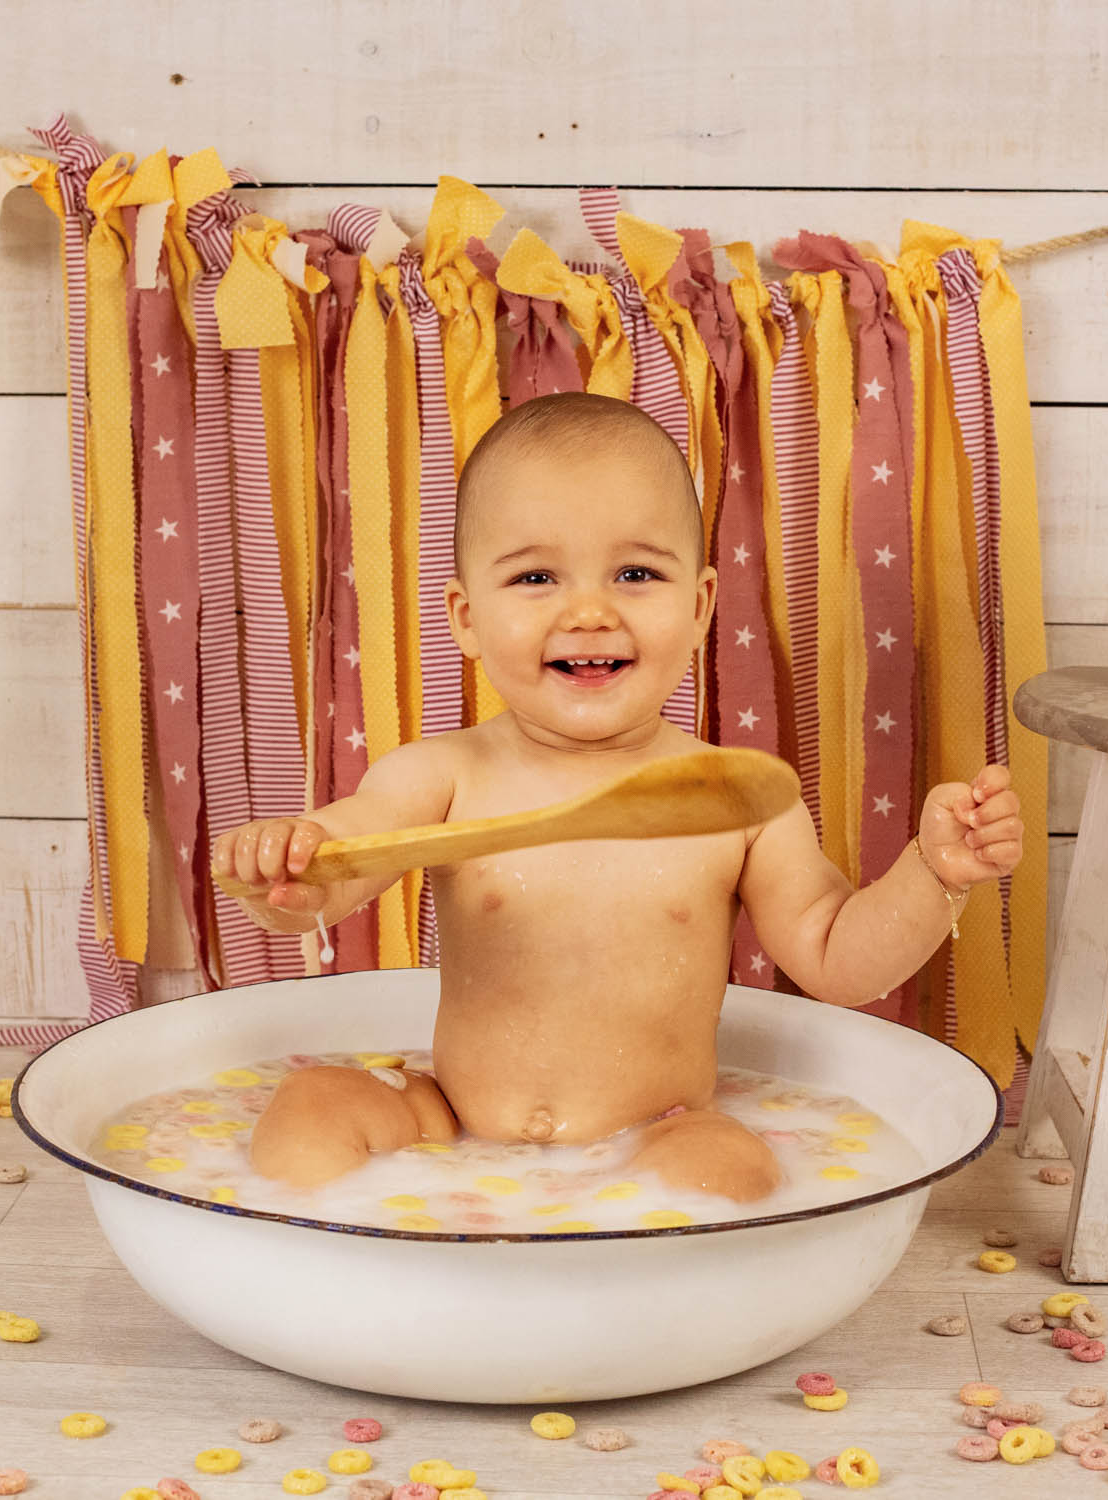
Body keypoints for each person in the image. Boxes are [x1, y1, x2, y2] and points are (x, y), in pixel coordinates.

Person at [212, 392, 1023, 1200]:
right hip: (450, 1123)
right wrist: (286, 869)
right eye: (535, 576)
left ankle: (640, 1293)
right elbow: (338, 868)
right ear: (466, 617)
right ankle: (349, 1274)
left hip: (657, 1127)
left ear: (699, 606)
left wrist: (934, 873)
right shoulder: (441, 776)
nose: (590, 611)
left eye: (636, 573)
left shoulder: (733, 799)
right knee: (311, 1106)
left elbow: (839, 959)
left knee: (726, 1172)